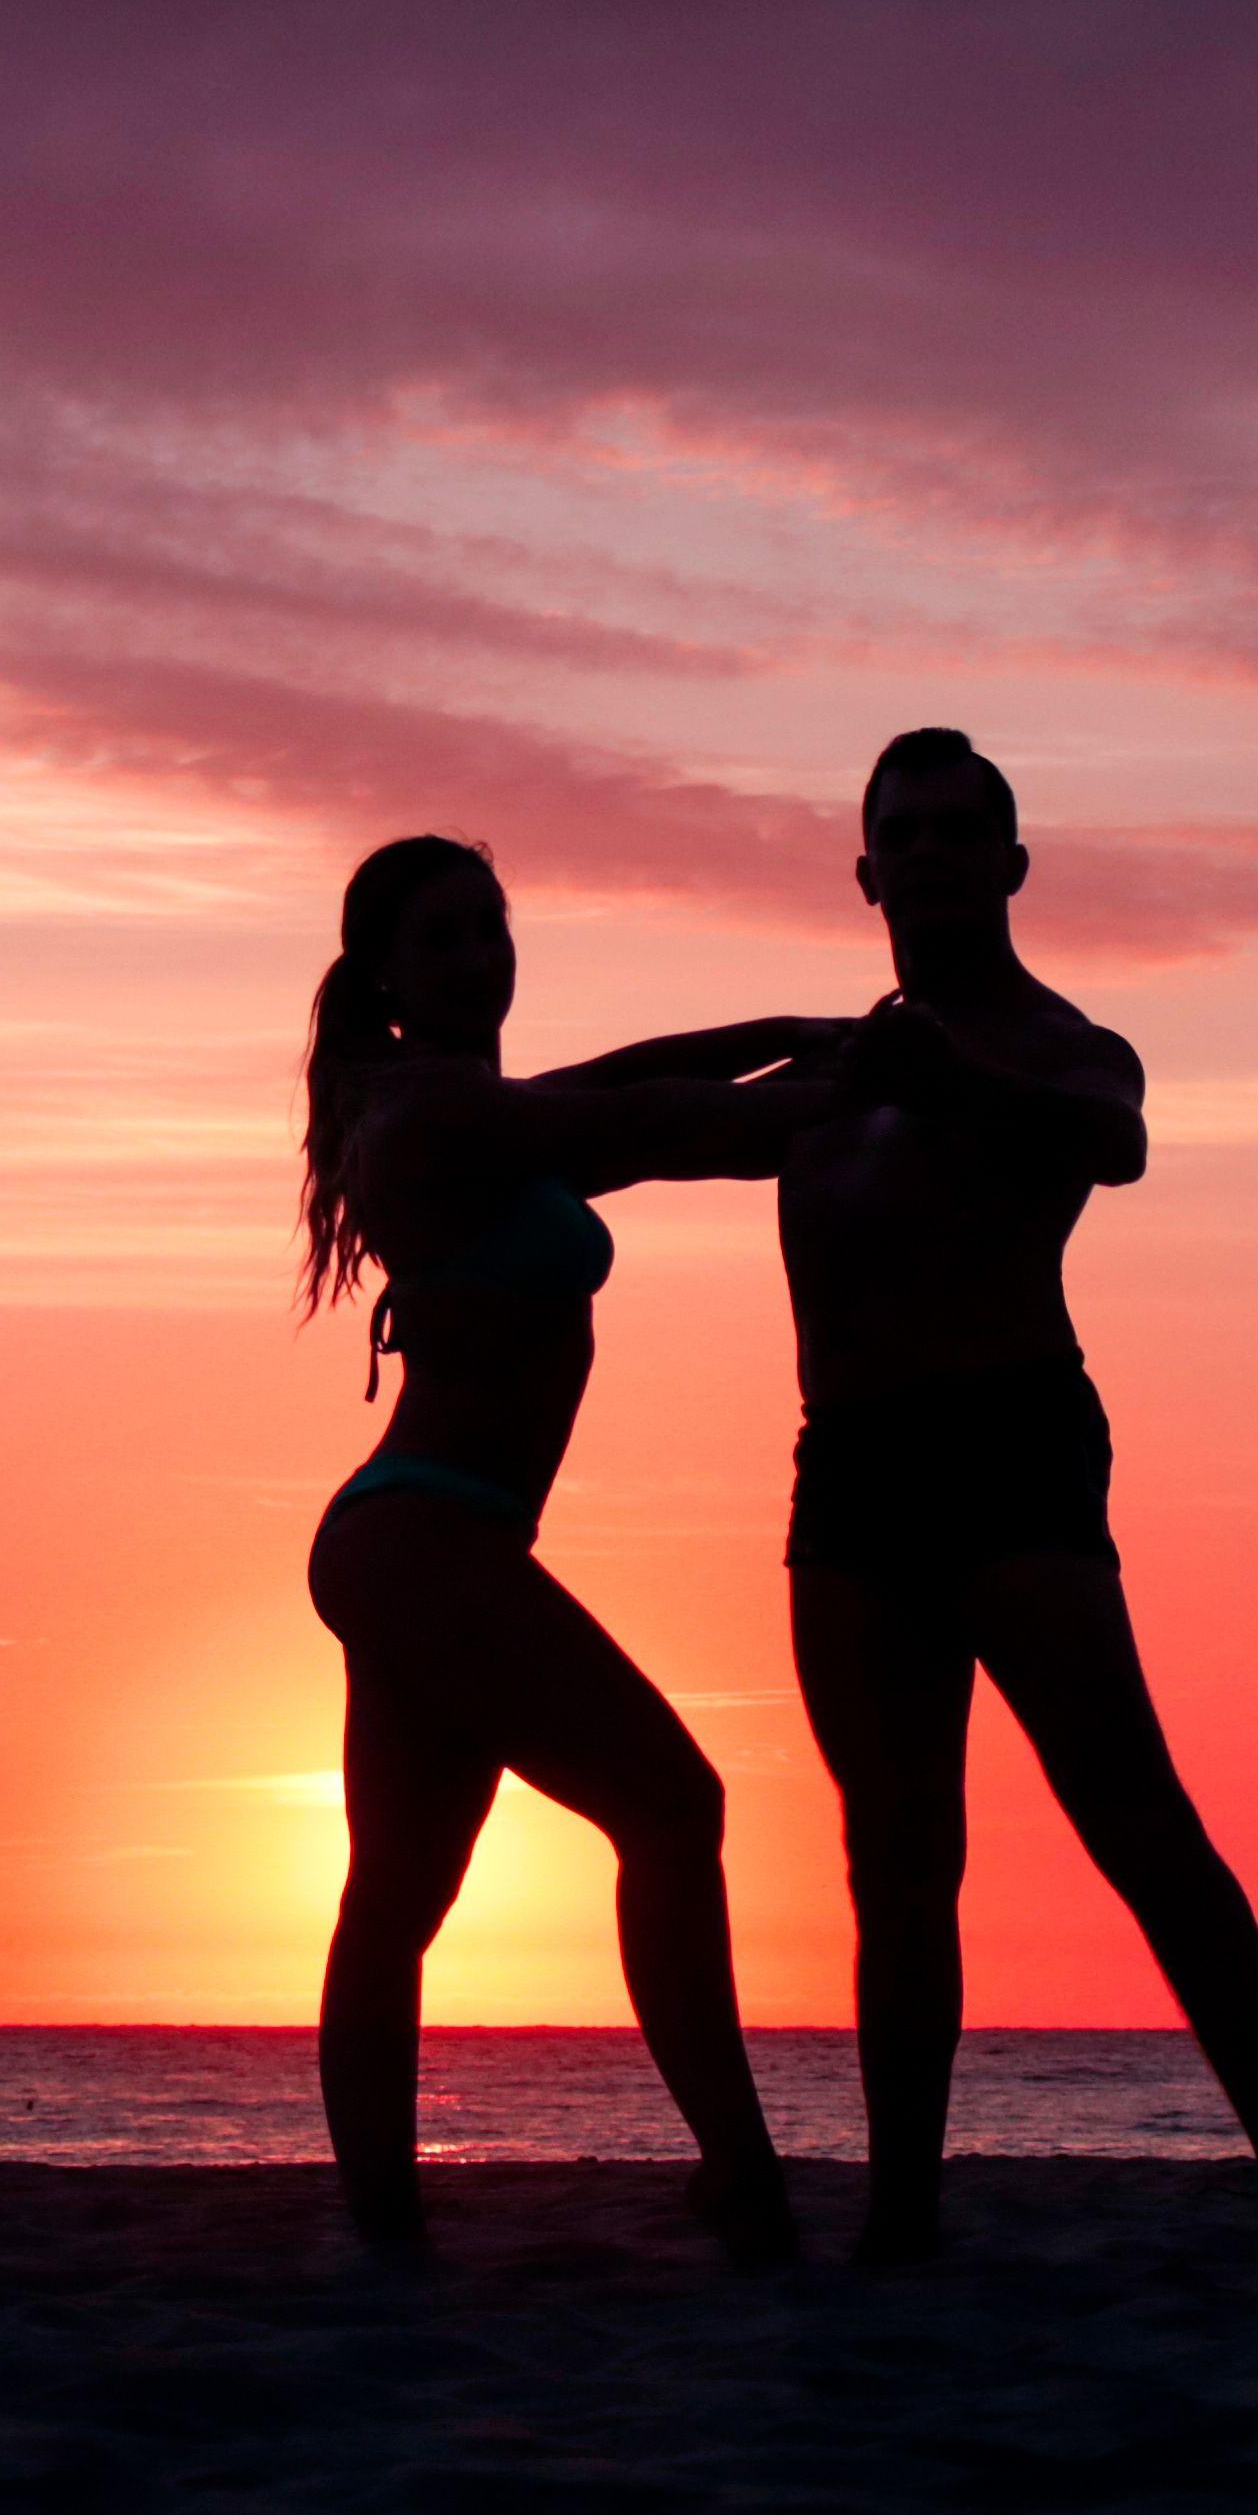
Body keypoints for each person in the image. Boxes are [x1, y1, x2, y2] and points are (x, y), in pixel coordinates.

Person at [782, 731, 1258, 2291]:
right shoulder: (826, 1070)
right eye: (911, 832)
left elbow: (1114, 1141)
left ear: (1013, 865)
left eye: (968, 831)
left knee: (1135, 1820)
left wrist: (944, 1075)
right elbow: (626, 1125)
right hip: (853, 1471)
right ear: (869, 871)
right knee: (896, 1862)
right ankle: (902, 2213)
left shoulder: (1066, 1045)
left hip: (1013, 1447)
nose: (940, 855)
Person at [300, 833, 859, 2268]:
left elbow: (619, 1083)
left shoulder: (480, 1103)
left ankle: (386, 2238)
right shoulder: (430, 1118)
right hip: (423, 1534)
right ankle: (740, 2176)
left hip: (434, 1536)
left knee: (399, 1897)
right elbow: (661, 1128)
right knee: (672, 1807)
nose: (481, 958)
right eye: (445, 941)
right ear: (386, 978)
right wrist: (823, 1093)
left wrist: (785, 1037)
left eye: (495, 929)